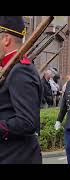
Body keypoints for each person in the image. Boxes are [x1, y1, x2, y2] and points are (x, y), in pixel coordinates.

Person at [0, 16, 42, 164]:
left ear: (6, 39)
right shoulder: (7, 69)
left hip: (16, 157)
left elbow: (27, 122)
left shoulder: (21, 71)